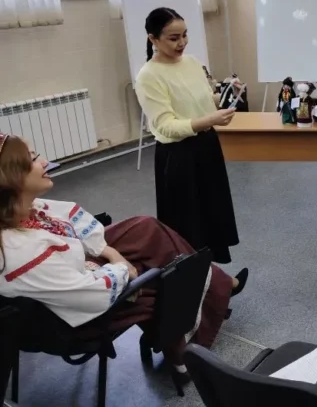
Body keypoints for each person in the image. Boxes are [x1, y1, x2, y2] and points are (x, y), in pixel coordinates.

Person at [0, 134, 249, 376]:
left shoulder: (25, 209)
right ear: (12, 177)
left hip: (74, 277)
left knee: (145, 228)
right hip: (72, 320)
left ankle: (217, 285)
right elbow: (91, 295)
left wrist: (111, 253)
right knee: (164, 280)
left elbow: (74, 220)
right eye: (34, 159)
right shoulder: (22, 251)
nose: (45, 162)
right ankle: (184, 350)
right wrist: (121, 267)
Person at [136, 7, 242, 265]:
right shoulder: (149, 76)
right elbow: (166, 126)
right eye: (174, 38)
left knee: (212, 214)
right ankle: (194, 281)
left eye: (185, 35)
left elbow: (203, 100)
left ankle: (216, 280)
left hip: (207, 146)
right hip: (179, 155)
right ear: (153, 39)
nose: (182, 42)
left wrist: (224, 94)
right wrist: (210, 120)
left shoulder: (192, 63)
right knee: (188, 223)